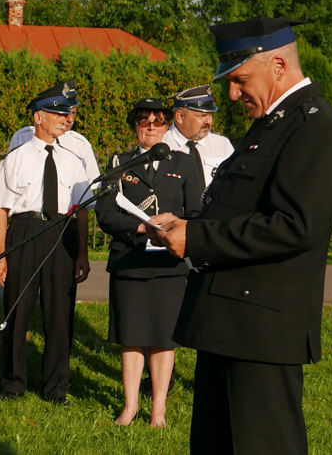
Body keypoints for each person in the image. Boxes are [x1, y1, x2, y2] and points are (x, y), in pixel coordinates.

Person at [149, 18, 332, 454]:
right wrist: (187, 228)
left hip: (263, 329)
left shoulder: (316, 127)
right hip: (227, 323)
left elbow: (296, 225)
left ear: (278, 65)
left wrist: (198, 240)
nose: (232, 94)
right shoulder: (270, 123)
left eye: (240, 80)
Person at [95, 98, 201, 427]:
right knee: (132, 336)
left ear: (168, 126)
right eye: (144, 122)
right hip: (130, 259)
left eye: (157, 121)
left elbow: (197, 212)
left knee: (163, 338)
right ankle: (129, 407)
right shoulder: (120, 163)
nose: (151, 127)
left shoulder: (184, 163)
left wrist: (172, 227)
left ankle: (158, 411)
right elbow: (105, 213)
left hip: (170, 263)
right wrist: (141, 226)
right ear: (135, 127)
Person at [0, 83, 92, 405]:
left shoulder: (74, 161)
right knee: (18, 312)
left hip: (62, 235)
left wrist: (82, 254)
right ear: (38, 118)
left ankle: (55, 388)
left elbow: (82, 212)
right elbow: (0, 211)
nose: (65, 119)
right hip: (25, 231)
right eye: (57, 114)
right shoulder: (16, 158)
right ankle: (13, 382)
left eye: (66, 114)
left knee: (59, 315)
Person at [8, 80, 100, 185]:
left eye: (73, 113)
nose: (69, 119)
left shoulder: (80, 145)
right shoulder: (23, 138)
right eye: (62, 113)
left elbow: (90, 188)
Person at [162, 84, 234, 189]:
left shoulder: (222, 144)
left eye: (211, 115)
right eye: (202, 116)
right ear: (180, 116)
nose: (208, 121)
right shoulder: (162, 144)